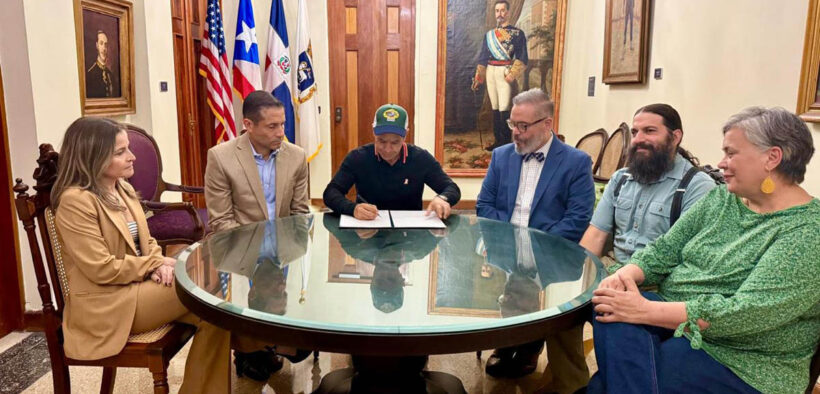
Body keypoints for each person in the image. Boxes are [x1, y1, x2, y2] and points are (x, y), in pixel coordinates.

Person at [589, 107, 820, 394]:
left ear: (772, 158)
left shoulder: (809, 231)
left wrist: (644, 310)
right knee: (608, 306)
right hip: (677, 324)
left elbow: (744, 314)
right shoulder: (723, 197)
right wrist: (625, 274)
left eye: (731, 153)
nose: (721, 163)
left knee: (603, 384)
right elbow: (665, 249)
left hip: (742, 360)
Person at [51, 117, 230, 393]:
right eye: (121, 152)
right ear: (93, 156)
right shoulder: (75, 201)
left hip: (137, 289)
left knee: (216, 316)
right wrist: (153, 264)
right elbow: (101, 269)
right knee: (211, 283)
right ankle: (264, 344)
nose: (132, 156)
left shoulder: (120, 187)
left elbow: (147, 240)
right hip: (109, 304)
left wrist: (158, 262)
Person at [476, 88, 595, 393]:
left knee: (553, 311)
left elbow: (578, 217)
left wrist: (535, 246)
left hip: (552, 251)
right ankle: (511, 342)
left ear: (547, 124)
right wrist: (506, 241)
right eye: (512, 125)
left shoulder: (576, 162)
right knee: (499, 293)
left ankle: (531, 347)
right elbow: (485, 204)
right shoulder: (501, 156)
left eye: (523, 126)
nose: (515, 132)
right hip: (505, 247)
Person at [204, 89, 310, 380]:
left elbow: (301, 213)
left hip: (284, 252)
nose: (281, 132)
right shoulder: (222, 157)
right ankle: (249, 348)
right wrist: (254, 258)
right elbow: (222, 221)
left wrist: (294, 252)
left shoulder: (297, 156)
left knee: (299, 342)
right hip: (240, 252)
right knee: (247, 319)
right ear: (248, 125)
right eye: (272, 126)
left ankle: (271, 344)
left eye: (283, 124)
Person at [579, 104, 716, 273]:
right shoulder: (620, 179)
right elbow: (596, 235)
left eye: (649, 131)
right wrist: (579, 278)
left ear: (675, 137)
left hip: (659, 284)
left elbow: (686, 257)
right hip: (610, 270)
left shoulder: (697, 187)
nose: (637, 140)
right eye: (635, 132)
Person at [323, 103, 461, 219]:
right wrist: (352, 209)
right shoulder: (358, 157)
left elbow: (451, 188)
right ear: (373, 132)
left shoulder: (420, 158)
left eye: (395, 142)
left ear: (405, 134)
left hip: (410, 235)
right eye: (381, 141)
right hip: (368, 230)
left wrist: (442, 198)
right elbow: (331, 193)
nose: (388, 149)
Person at [471, 0, 528, 151]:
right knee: (495, 107)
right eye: (497, 11)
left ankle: (506, 143)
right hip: (491, 71)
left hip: (505, 71)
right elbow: (483, 57)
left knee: (504, 107)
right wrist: (479, 78)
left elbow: (522, 57)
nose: (500, 14)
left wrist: (512, 74)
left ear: (508, 12)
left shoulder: (517, 34)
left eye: (503, 11)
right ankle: (498, 141)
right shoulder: (489, 35)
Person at [86, 30, 116, 98]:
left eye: (106, 44)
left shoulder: (110, 75)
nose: (104, 48)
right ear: (97, 45)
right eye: (101, 43)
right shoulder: (90, 74)